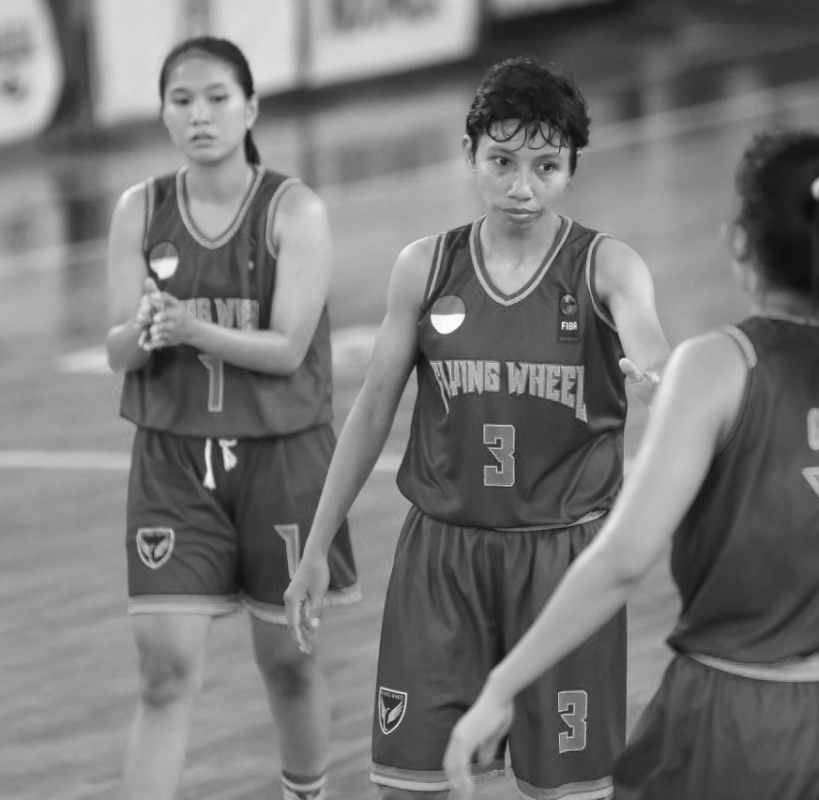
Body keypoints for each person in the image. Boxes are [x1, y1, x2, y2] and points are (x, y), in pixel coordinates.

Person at [443, 128, 819, 799]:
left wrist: (502, 685)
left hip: (750, 718)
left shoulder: (721, 365)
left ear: (739, 238)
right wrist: (680, 414)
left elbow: (623, 562)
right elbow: (792, 451)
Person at [283, 56, 670, 800]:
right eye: (502, 161)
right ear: (470, 154)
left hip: (562, 563)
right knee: (407, 788)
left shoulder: (607, 268)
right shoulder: (425, 268)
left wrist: (656, 376)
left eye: (546, 166)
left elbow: (650, 346)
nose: (522, 187)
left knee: (568, 794)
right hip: (441, 562)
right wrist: (316, 546)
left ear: (572, 168)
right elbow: (371, 411)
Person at [104, 35, 360, 800]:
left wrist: (192, 328)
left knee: (289, 665)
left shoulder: (294, 210)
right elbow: (118, 349)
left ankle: (306, 791)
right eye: (181, 100)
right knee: (162, 675)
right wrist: (145, 332)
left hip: (283, 459)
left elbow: (288, 349)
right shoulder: (140, 208)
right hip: (174, 462)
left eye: (217, 98)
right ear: (162, 113)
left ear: (251, 108)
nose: (200, 115)